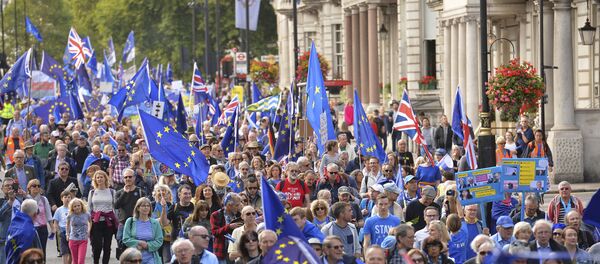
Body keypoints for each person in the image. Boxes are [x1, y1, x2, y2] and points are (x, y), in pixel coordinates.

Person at [88, 170, 117, 264]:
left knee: (107, 246)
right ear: (95, 180)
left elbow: (115, 208)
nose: (99, 179)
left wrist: (116, 221)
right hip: (96, 221)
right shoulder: (92, 192)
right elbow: (89, 208)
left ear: (105, 178)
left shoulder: (112, 192)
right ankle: (95, 262)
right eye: (97, 177)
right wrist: (88, 223)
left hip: (108, 222)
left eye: (101, 177)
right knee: (97, 246)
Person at [115, 168, 145, 256]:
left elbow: (146, 207)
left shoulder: (140, 192)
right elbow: (116, 205)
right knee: (122, 249)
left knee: (135, 251)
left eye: (130, 177)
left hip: (137, 224)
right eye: (125, 177)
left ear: (134, 178)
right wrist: (125, 192)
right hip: (123, 225)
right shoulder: (119, 192)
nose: (128, 179)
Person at [122, 197, 163, 264]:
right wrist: (139, 242)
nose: (146, 208)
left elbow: (159, 240)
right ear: (138, 208)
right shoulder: (130, 221)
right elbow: (126, 239)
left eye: (148, 206)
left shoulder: (155, 223)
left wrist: (147, 245)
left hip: (151, 258)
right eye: (143, 206)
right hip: (133, 257)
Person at [5, 199, 41, 264]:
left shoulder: (13, 224)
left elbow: (8, 246)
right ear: (35, 214)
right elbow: (35, 256)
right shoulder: (31, 231)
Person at [210, 192, 242, 263]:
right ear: (229, 205)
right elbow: (215, 232)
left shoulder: (239, 215)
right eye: (236, 205)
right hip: (222, 251)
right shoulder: (216, 215)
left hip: (235, 252)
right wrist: (229, 227)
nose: (239, 207)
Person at [25, 179, 53, 260]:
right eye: (34, 186)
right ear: (29, 188)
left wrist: (52, 227)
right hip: (30, 228)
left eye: (38, 186)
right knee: (31, 251)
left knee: (42, 251)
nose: (36, 187)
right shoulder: (26, 200)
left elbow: (48, 214)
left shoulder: (44, 199)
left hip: (42, 228)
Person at [66, 198, 91, 264]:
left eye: (78, 205)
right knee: (75, 261)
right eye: (75, 206)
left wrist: (89, 230)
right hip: (73, 240)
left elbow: (90, 221)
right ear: (72, 208)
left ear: (81, 205)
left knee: (81, 261)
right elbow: (67, 224)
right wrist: (67, 234)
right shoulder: (70, 215)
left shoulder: (86, 214)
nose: (77, 207)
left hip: (83, 240)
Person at [52, 190, 73, 264]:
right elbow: (55, 222)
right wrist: (58, 231)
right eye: (65, 197)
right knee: (64, 251)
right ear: (61, 199)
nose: (67, 199)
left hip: (72, 232)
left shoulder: (73, 209)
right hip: (63, 232)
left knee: (71, 251)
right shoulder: (59, 210)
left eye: (69, 197)